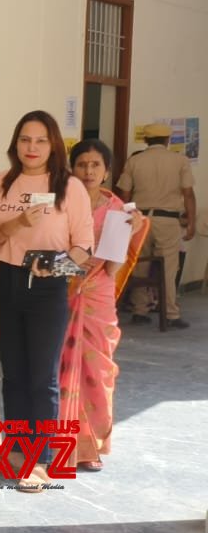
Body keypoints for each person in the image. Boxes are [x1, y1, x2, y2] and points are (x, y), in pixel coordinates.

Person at [0, 111, 93, 492]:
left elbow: (84, 248)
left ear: (53, 146)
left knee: (41, 376)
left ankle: (41, 459)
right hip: (5, 280)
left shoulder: (69, 187)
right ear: (15, 143)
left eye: (40, 140)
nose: (32, 148)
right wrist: (15, 225)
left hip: (47, 286)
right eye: (25, 139)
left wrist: (56, 265)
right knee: (11, 373)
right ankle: (14, 452)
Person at [61, 139, 150, 470]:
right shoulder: (62, 202)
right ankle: (61, 444)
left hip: (97, 294)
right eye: (82, 164)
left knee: (97, 369)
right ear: (72, 168)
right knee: (61, 367)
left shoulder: (118, 210)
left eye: (95, 165)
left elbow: (112, 266)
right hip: (63, 290)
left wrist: (131, 231)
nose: (88, 171)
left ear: (107, 170)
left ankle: (91, 445)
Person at [115, 122, 196, 328]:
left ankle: (139, 310)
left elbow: (124, 193)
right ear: (167, 140)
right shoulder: (179, 160)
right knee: (168, 268)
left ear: (145, 140)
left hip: (140, 219)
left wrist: (128, 219)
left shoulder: (135, 161)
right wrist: (191, 223)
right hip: (168, 220)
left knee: (140, 264)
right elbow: (188, 193)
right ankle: (170, 313)